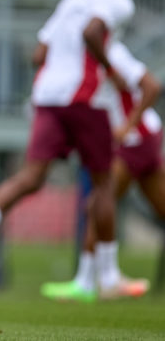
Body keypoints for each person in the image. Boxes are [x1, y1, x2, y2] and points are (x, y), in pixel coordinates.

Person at [0, 0, 137, 298]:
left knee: (32, 176)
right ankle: (109, 276)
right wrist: (111, 71)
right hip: (84, 97)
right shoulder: (118, 1)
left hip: (47, 96)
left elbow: (39, 54)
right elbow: (92, 32)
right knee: (104, 185)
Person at [41, 40, 161, 301]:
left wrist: (128, 126)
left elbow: (152, 86)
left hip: (136, 140)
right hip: (137, 140)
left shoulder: (113, 52)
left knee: (97, 201)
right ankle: (91, 280)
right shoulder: (76, 59)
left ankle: (85, 282)